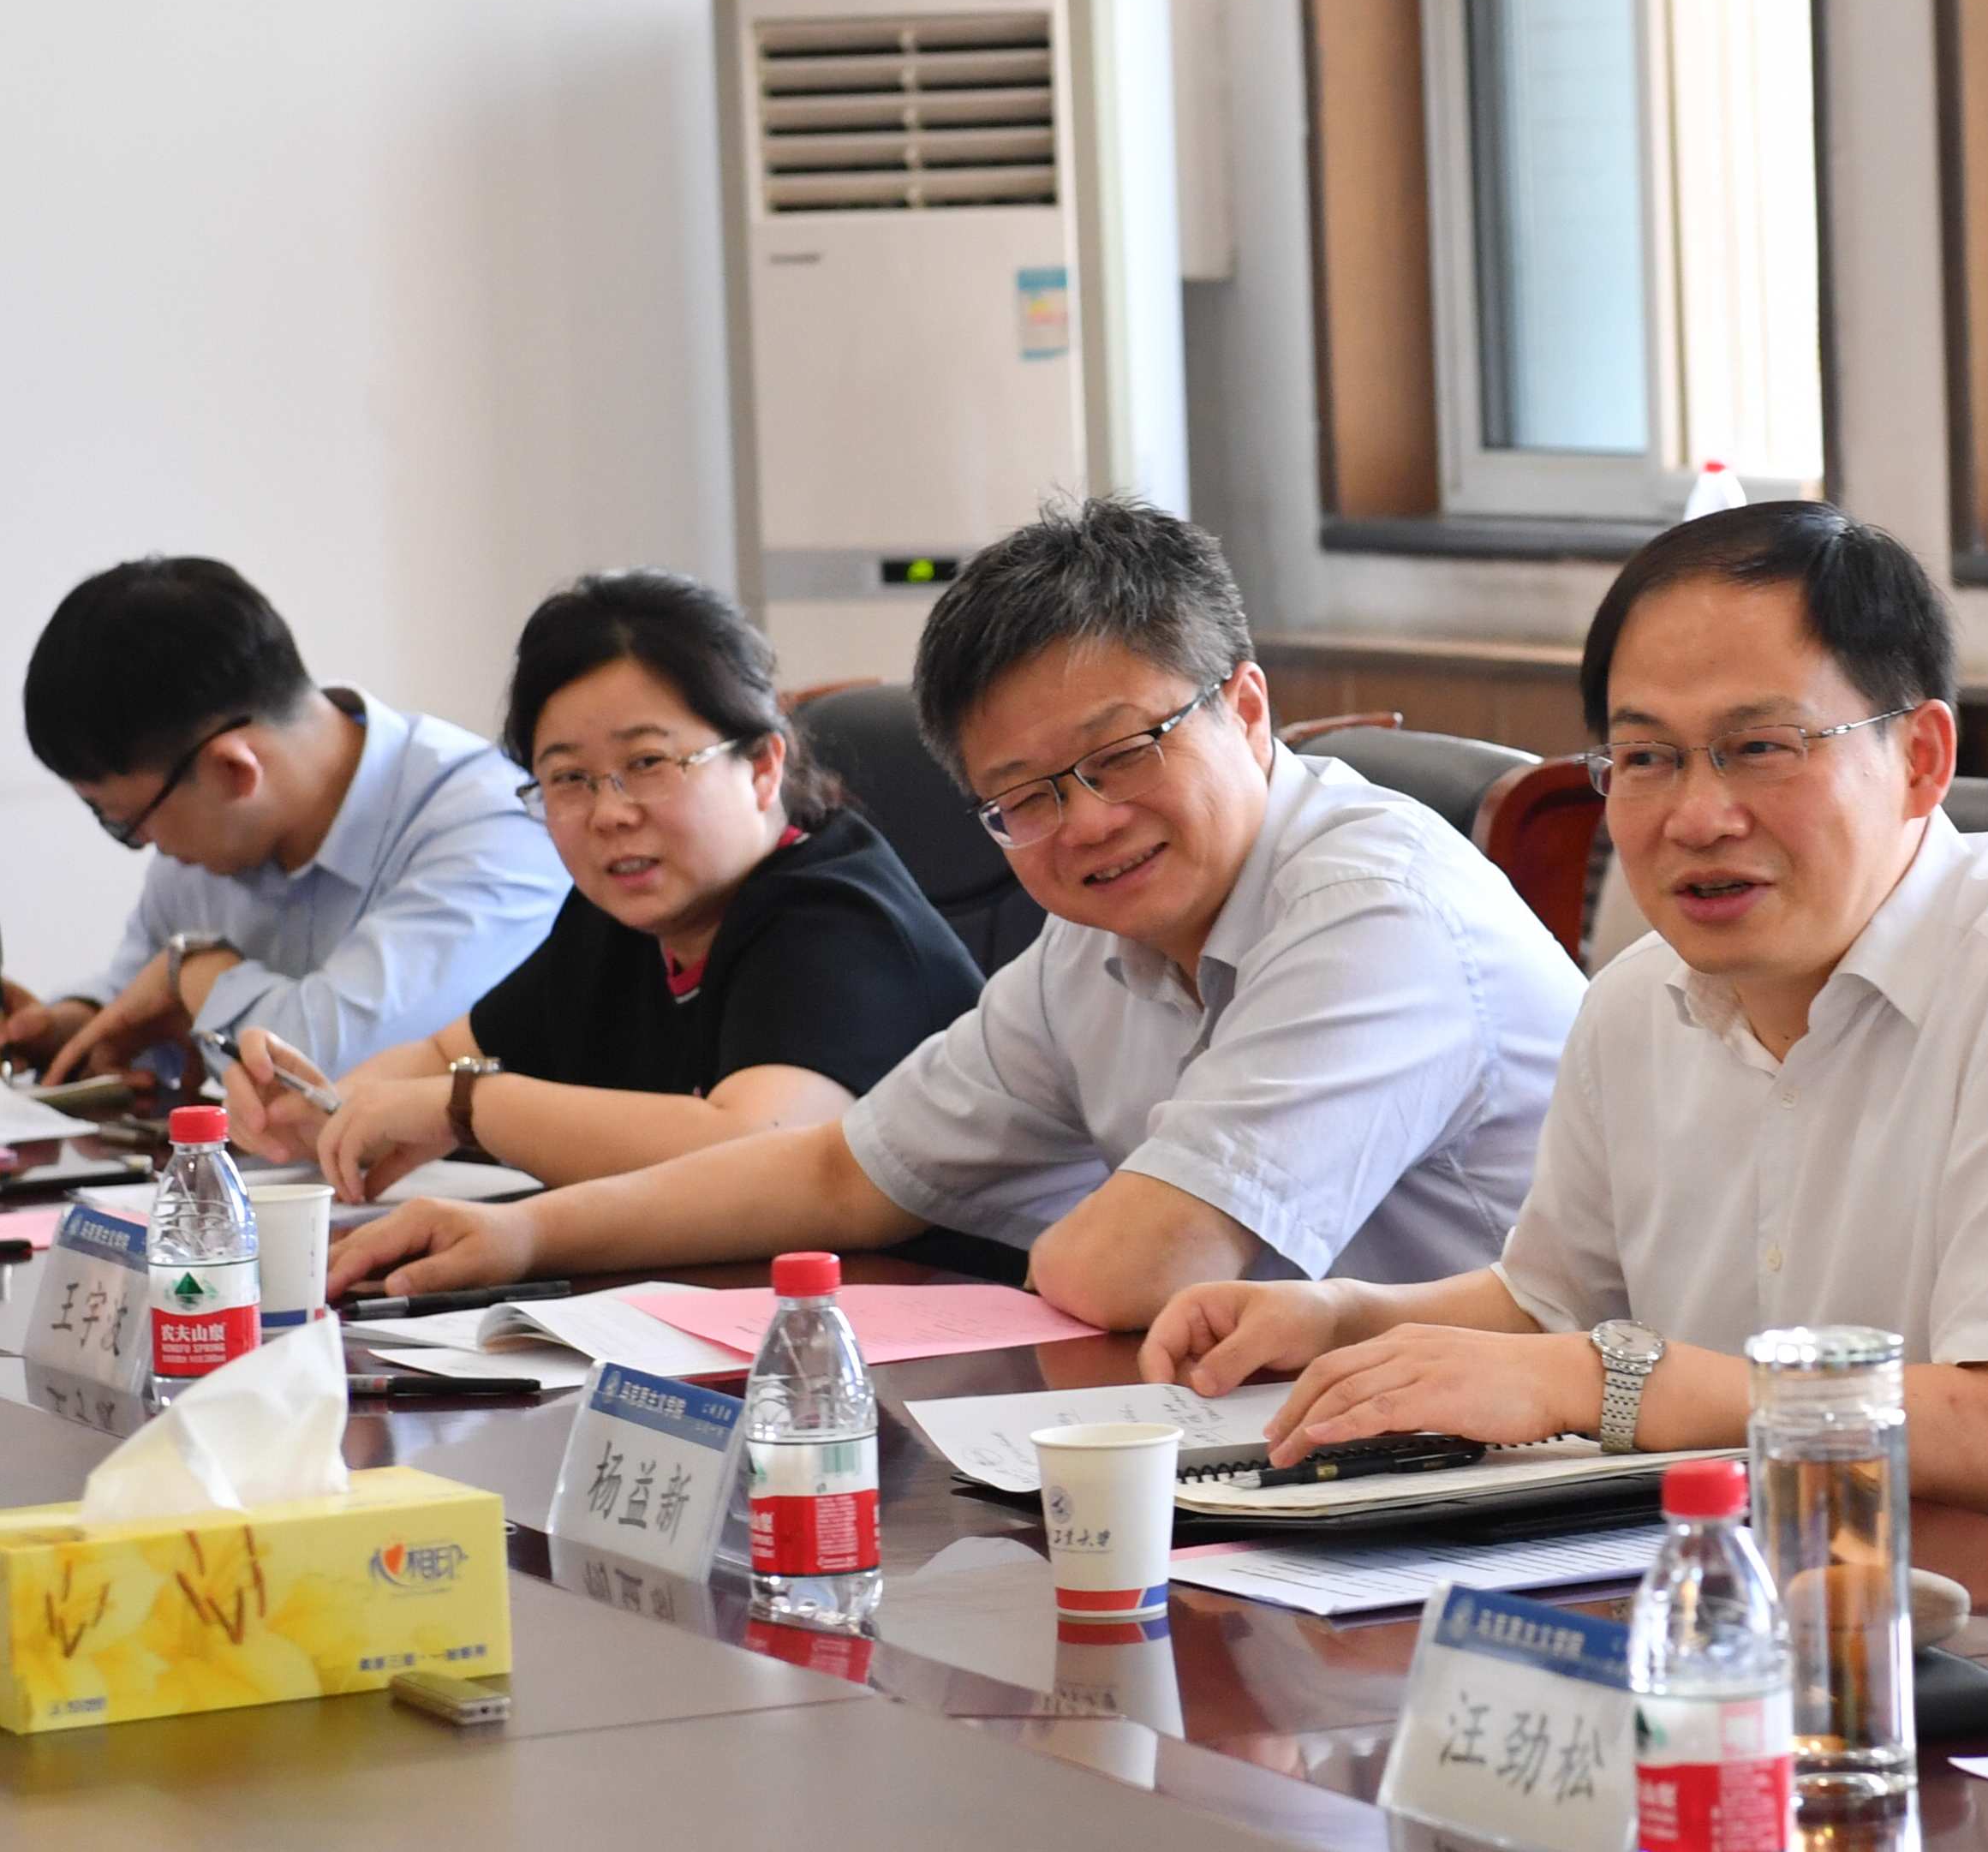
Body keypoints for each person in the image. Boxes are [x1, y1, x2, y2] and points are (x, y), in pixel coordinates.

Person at [1141, 502, 1988, 1577]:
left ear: (1920, 759)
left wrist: (1597, 1381)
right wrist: (1344, 1318)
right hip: (1751, 1596)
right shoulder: (1636, 1000)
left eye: (1760, 746)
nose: (1696, 816)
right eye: (1646, 757)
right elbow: (1552, 1305)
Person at [326, 494, 1587, 1326]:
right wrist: (520, 1237)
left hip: (1530, 1479)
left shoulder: (1369, 909)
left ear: (1247, 710)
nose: (1084, 821)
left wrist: (1066, 1238)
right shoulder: (1096, 938)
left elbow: (1132, 1267)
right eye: (1023, 794)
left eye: (1123, 751)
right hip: (1296, 1436)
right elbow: (847, 1169)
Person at [223, 571, 983, 1199]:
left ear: (761, 766)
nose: (609, 813)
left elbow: (754, 1147)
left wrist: (469, 1108)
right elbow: (441, 1056)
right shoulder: (618, 919)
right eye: (568, 778)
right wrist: (318, 1109)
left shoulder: (837, 917)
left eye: (647, 763)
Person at [0, 557, 568, 1081]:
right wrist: (57, 1029)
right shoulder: (204, 837)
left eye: (126, 823)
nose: (146, 844)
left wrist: (194, 973)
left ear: (235, 770)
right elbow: (138, 998)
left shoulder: (493, 823)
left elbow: (326, 1069)